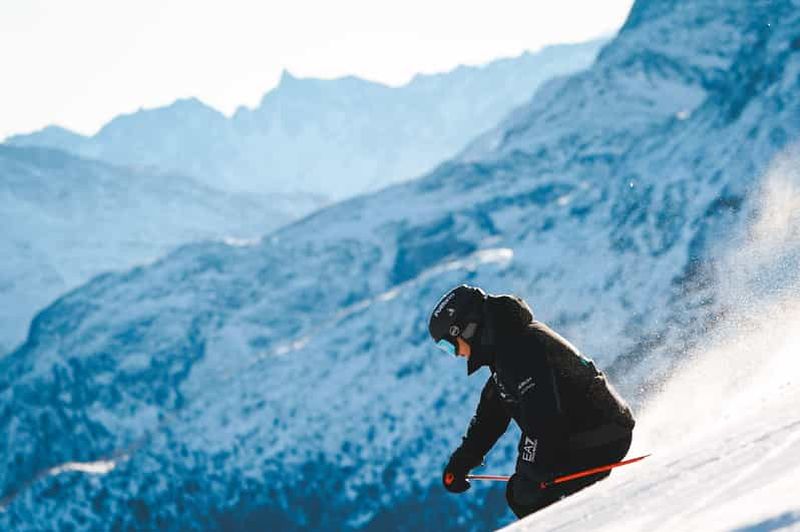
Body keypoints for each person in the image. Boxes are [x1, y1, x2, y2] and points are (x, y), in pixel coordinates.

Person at [428, 284, 635, 518]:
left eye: (449, 345)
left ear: (465, 329)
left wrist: (530, 472)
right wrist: (463, 459)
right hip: (594, 431)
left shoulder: (519, 349)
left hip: (601, 436)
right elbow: (492, 412)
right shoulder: (505, 347)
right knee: (523, 492)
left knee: (524, 495)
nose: (456, 354)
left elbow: (543, 417)